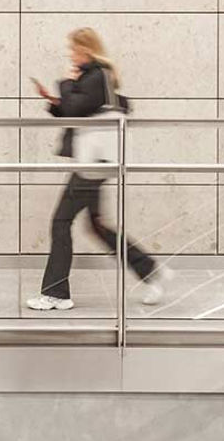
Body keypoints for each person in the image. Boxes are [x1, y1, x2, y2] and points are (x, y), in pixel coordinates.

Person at [26, 28, 163, 312]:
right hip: (95, 162)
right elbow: (77, 110)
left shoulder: (96, 75)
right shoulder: (96, 77)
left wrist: (65, 83)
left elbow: (77, 110)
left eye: (74, 50)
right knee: (97, 226)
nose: (71, 56)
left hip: (92, 164)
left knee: (61, 222)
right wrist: (55, 103)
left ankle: (56, 293)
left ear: (86, 50)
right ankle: (149, 272)